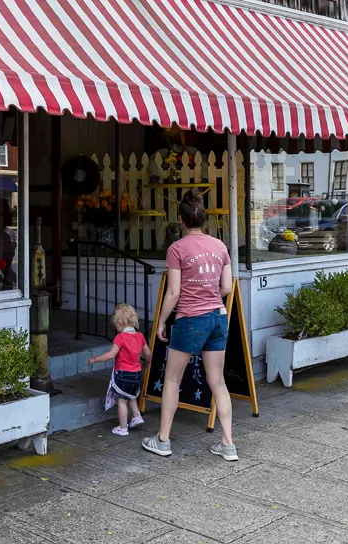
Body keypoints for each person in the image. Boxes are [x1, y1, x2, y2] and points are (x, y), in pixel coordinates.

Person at [141, 190, 237, 461]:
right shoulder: (220, 246)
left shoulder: (177, 249)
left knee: (172, 379)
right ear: (203, 219)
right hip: (218, 317)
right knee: (217, 381)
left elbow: (173, 292)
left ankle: (163, 440)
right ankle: (228, 444)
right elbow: (227, 287)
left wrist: (160, 321)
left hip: (190, 319)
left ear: (181, 221)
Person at [87, 303, 151, 436]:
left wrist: (94, 359)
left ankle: (122, 427)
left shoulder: (120, 338)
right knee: (132, 396)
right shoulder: (140, 336)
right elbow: (148, 354)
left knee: (122, 401)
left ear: (120, 323)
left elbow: (110, 355)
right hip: (137, 374)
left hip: (123, 374)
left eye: (116, 324)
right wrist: (147, 364)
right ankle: (136, 415)